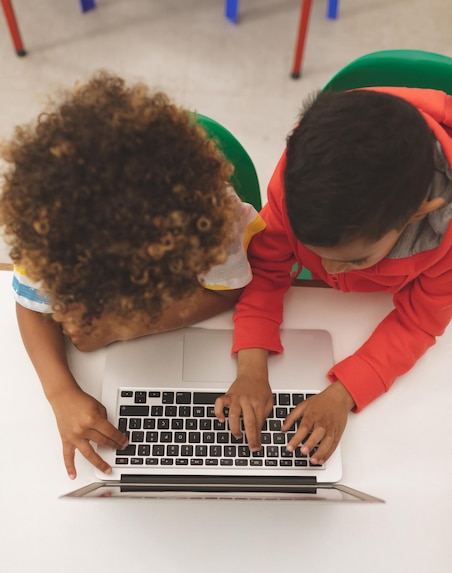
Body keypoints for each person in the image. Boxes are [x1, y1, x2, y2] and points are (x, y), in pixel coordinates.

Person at [0, 71, 265, 479]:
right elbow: (31, 306)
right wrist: (60, 393)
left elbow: (228, 288)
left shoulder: (216, 217)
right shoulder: (49, 230)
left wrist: (126, 328)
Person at [215, 87, 452, 464]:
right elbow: (267, 266)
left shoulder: (445, 238)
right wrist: (251, 366)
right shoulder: (303, 177)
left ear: (417, 214)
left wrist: (344, 394)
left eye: (356, 260)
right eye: (315, 253)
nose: (328, 271)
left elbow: (421, 322)